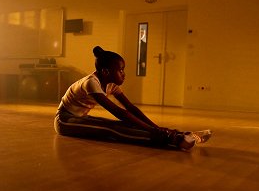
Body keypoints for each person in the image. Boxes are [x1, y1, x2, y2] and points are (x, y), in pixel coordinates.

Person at [54, 46, 211, 151]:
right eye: (120, 70)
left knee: (116, 125)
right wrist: (154, 131)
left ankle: (180, 135)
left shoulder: (110, 84)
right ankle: (173, 141)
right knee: (111, 130)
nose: (123, 73)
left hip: (80, 117)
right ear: (106, 71)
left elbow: (130, 108)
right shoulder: (91, 83)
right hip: (64, 121)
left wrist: (157, 127)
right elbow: (119, 112)